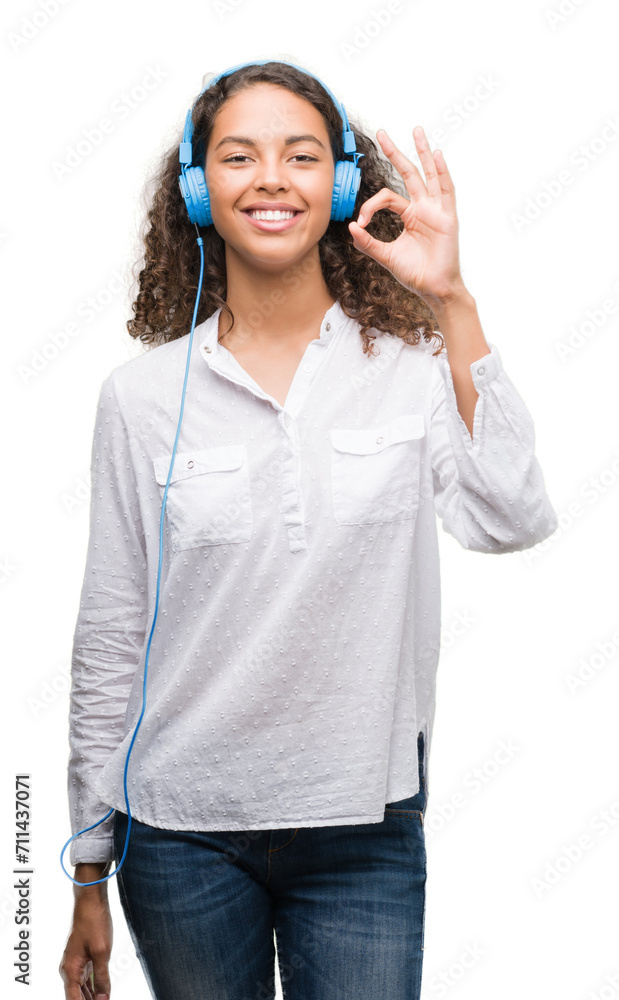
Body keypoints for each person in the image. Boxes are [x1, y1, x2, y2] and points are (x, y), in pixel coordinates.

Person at [59, 59, 558, 1000]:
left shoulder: (410, 368)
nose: (273, 178)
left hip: (362, 825)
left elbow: (511, 515)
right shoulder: (139, 399)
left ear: (338, 184)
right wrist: (88, 865)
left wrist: (451, 301)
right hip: (180, 835)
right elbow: (111, 636)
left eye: (301, 155)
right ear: (201, 192)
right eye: (238, 156)